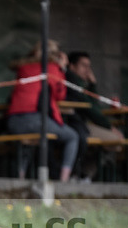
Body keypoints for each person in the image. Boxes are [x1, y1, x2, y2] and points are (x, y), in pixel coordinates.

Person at [5, 40, 80, 182]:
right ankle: (64, 181)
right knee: (72, 136)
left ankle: (19, 178)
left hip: (13, 121)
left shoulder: (24, 67)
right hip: (35, 120)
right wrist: (62, 68)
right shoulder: (51, 68)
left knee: (27, 142)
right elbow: (60, 95)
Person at [64, 51, 125, 180]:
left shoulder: (81, 83)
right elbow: (91, 109)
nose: (87, 70)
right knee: (116, 140)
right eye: (83, 66)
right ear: (72, 66)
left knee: (114, 142)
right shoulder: (71, 81)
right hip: (74, 123)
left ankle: (85, 173)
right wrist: (109, 126)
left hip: (83, 123)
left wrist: (92, 85)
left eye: (89, 66)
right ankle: (83, 174)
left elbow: (94, 105)